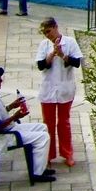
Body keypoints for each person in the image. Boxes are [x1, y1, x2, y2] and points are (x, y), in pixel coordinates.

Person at [0, 67, 55, 183]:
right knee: (43, 137)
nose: (1, 81)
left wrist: (11, 106)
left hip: (10, 128)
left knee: (43, 127)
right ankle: (37, 173)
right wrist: (14, 117)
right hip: (6, 137)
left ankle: (39, 166)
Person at [35, 17, 82, 167]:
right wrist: (52, 54)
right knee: (47, 123)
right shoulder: (43, 45)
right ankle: (48, 155)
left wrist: (62, 54)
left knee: (64, 122)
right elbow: (41, 65)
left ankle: (67, 153)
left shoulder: (70, 42)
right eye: (44, 33)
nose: (47, 35)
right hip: (48, 89)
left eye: (49, 31)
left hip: (64, 88)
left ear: (56, 27)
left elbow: (76, 63)